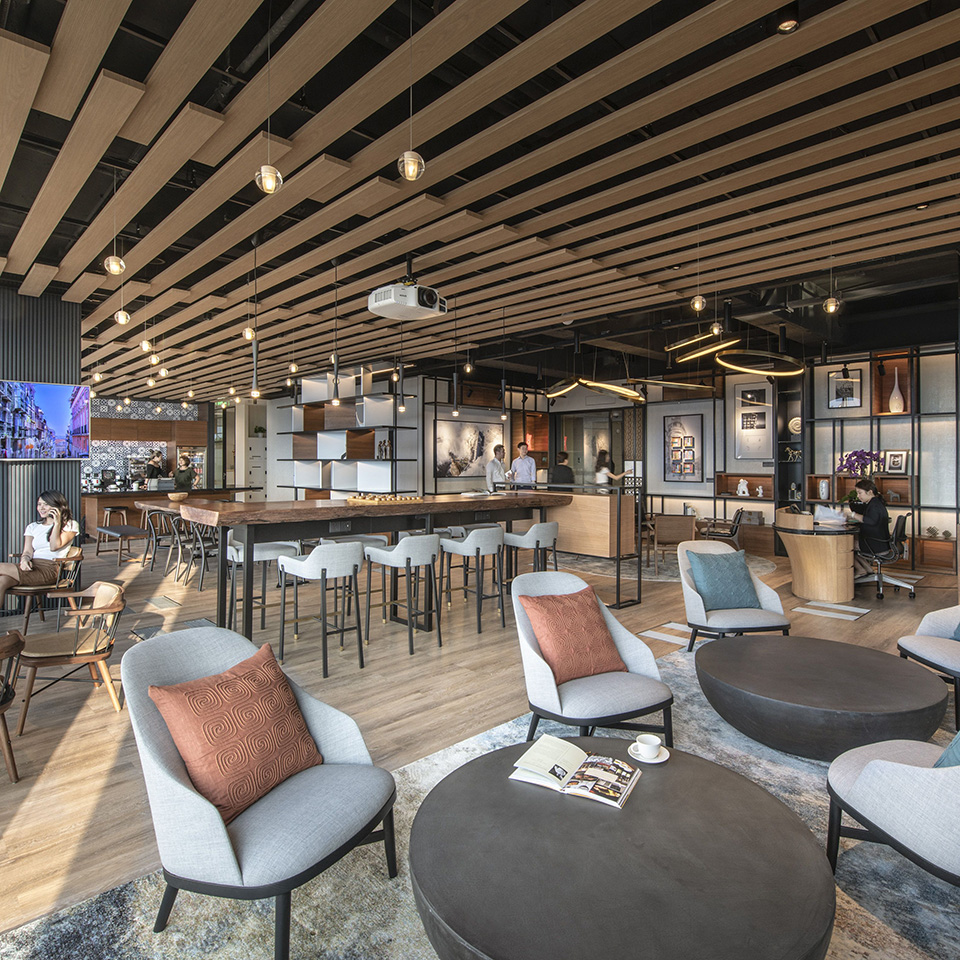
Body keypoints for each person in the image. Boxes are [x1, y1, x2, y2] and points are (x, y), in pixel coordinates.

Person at [0, 491, 79, 606]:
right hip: (31, 567)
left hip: (49, 569)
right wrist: (24, 560)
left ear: (57, 506)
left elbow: (54, 546)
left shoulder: (70, 525)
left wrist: (57, 523)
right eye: (39, 504)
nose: (41, 508)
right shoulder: (33, 527)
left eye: (46, 504)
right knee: (2, 581)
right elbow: (27, 551)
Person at [846, 478, 891, 576]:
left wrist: (853, 515)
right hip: (881, 542)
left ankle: (861, 570)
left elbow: (870, 520)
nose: (858, 496)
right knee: (851, 544)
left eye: (860, 493)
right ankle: (868, 569)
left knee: (846, 546)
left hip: (875, 544)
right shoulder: (876, 503)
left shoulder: (874, 506)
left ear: (870, 492)